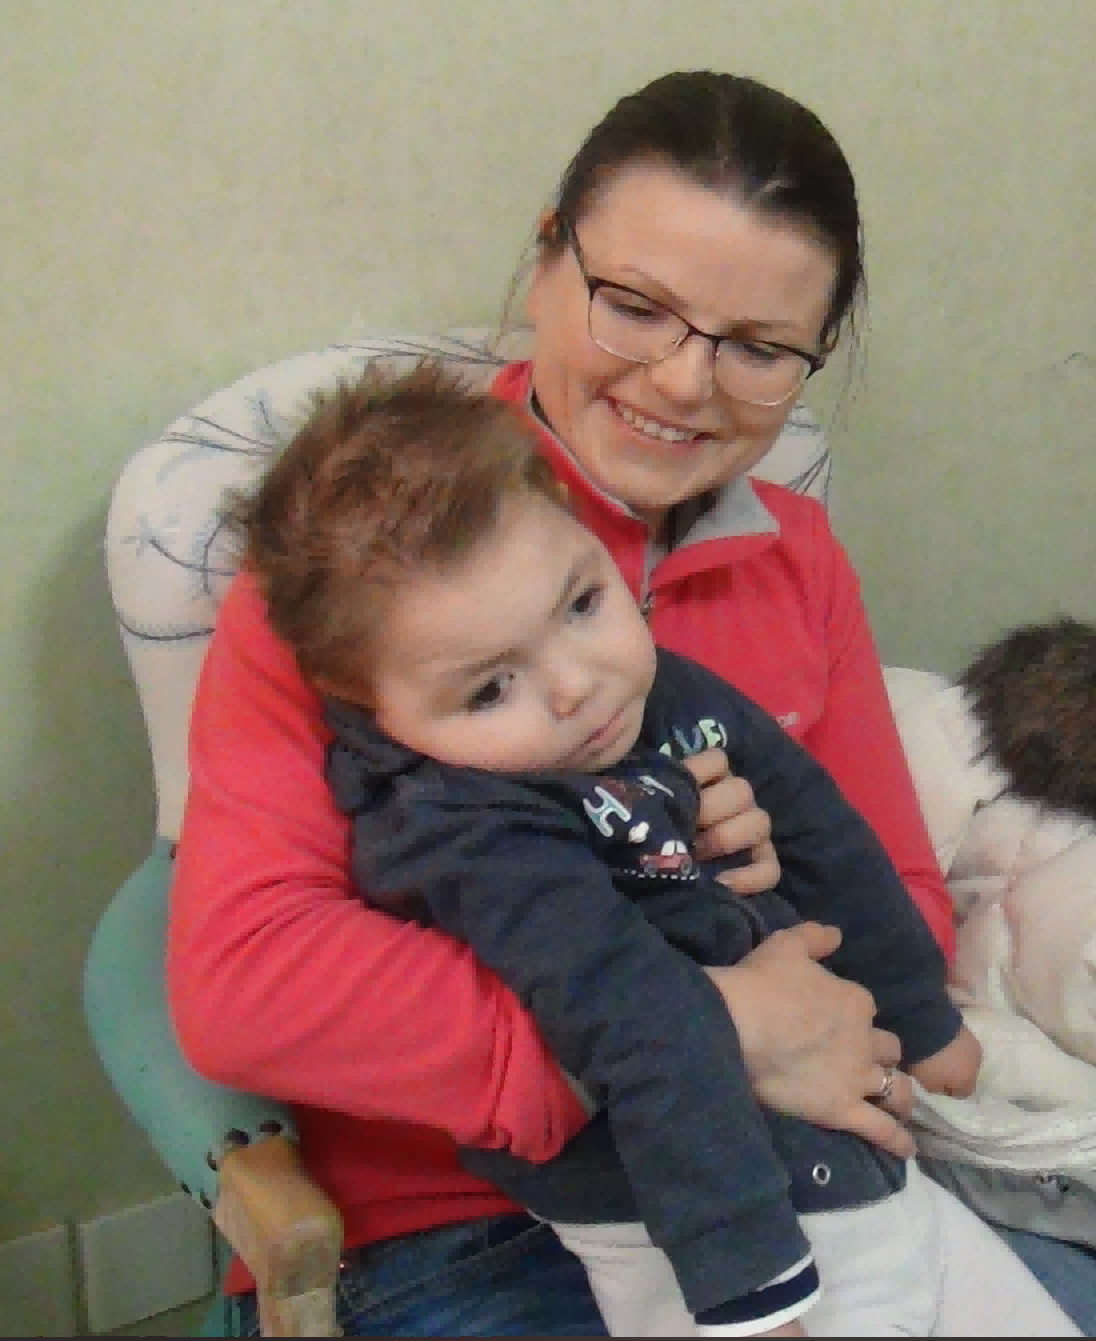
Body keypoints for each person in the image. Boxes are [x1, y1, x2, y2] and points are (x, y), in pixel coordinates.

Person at [167, 70, 1089, 1335]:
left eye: (758, 347)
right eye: (637, 307)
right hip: (461, 1223)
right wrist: (708, 1028)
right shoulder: (364, 578)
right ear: (547, 260)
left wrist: (771, 886)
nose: (682, 384)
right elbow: (247, 984)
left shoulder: (796, 558)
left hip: (811, 1162)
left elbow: (898, 893)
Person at [227, 356, 1043, 1338]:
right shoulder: (463, 829)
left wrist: (920, 1016)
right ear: (372, 706)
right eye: (490, 688)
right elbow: (637, 1017)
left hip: (853, 1154)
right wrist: (750, 1292)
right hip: (665, 1219)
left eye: (581, 604)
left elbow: (819, 822)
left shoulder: (654, 690)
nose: (577, 686)